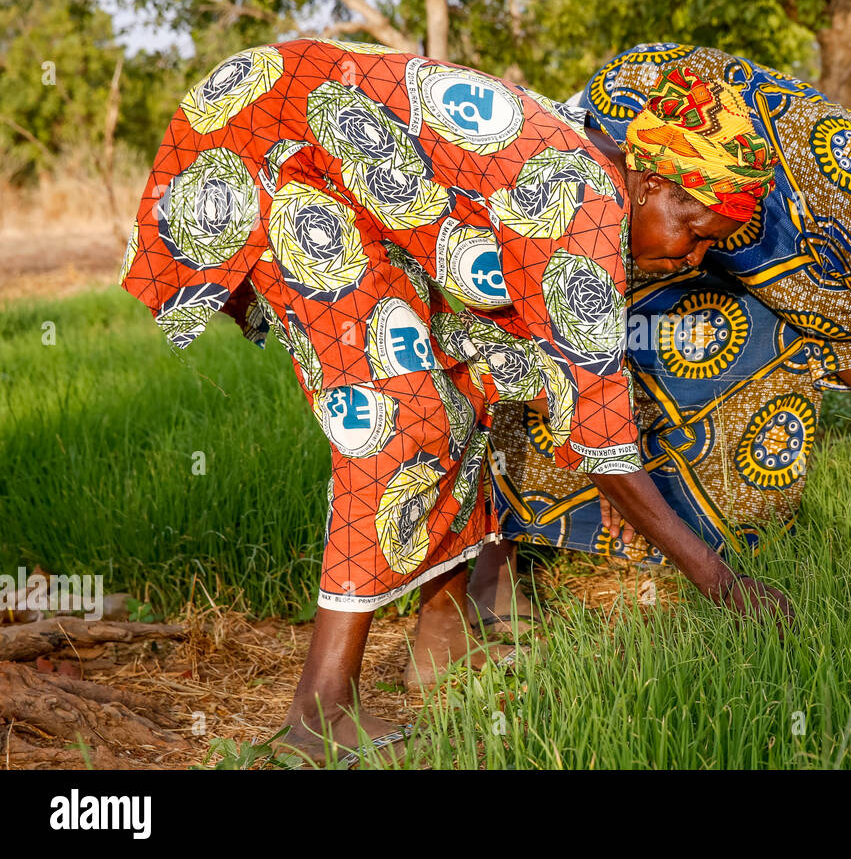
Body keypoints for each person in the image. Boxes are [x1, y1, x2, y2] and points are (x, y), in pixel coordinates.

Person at [119, 38, 790, 764]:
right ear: (657, 184)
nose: (689, 258)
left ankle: (444, 643)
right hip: (272, 144)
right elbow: (604, 443)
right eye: (693, 234)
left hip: (325, 156)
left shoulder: (592, 172)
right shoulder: (586, 215)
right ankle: (318, 714)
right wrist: (721, 582)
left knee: (462, 388)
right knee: (394, 423)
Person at [478, 43, 851, 615]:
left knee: (739, 342)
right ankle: (491, 564)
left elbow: (816, 306)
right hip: (650, 121)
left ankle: (571, 535)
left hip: (664, 126)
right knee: (564, 332)